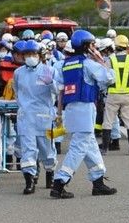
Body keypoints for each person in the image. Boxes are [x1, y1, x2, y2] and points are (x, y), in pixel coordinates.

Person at [50, 29, 118, 199]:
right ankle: (59, 183)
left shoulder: (66, 64)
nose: (94, 47)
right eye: (92, 44)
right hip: (85, 109)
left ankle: (98, 181)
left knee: (90, 146)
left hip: (71, 109)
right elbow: (110, 78)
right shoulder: (88, 64)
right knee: (78, 148)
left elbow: (59, 89)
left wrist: (59, 113)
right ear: (87, 46)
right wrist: (101, 60)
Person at [12, 39, 60, 195]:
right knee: (28, 150)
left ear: (39, 55)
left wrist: (51, 82)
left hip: (44, 117)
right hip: (26, 117)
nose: (30, 57)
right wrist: (24, 108)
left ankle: (50, 174)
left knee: (47, 150)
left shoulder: (49, 70)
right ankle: (29, 181)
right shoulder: (18, 73)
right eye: (27, 54)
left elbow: (58, 91)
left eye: (33, 54)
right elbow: (17, 92)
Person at [103, 34, 129, 155]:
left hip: (113, 95)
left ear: (115, 46)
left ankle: (104, 149)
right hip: (128, 95)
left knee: (108, 121)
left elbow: (106, 78)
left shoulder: (110, 59)